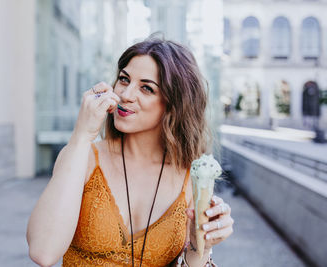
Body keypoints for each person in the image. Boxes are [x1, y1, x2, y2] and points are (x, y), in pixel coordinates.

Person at [27, 38, 234, 267]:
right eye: (124, 79)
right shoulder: (82, 156)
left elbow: (193, 261)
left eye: (146, 88)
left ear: (174, 104)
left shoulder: (191, 177)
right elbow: (42, 252)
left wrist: (199, 246)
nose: (126, 94)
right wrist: (82, 134)